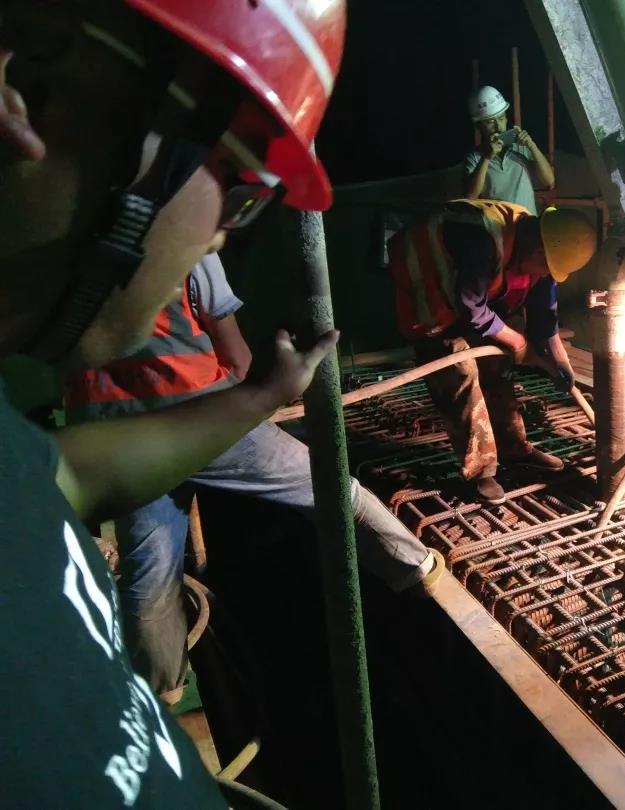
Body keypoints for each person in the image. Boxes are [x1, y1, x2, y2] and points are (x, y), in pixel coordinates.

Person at [0, 1, 346, 805]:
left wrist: (262, 394)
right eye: (244, 183)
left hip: (168, 415)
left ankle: (162, 679)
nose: (224, 232)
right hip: (173, 402)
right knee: (322, 493)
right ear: (29, 82)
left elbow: (65, 476)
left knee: (154, 573)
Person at [64, 253, 444, 699]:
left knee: (149, 576)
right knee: (330, 488)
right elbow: (238, 358)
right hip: (199, 413)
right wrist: (263, 399)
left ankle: (161, 691)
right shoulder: (187, 244)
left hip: (116, 437)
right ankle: (416, 569)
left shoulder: (57, 259)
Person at [390, 199, 596, 505]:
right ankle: (480, 471)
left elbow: (544, 315)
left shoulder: (544, 247)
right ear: (538, 252)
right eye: (546, 268)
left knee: (499, 364)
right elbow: (471, 306)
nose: (545, 274)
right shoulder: (481, 240)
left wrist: (559, 362)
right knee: (459, 372)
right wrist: (518, 343)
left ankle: (514, 449)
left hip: (476, 297)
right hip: (435, 302)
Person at [463, 85, 555, 214]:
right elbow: (470, 196)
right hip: (497, 226)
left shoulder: (522, 148)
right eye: (490, 122)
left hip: (528, 224)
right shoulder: (474, 157)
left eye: (501, 118)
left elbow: (549, 181)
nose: (498, 127)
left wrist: (532, 146)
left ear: (506, 118)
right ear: (478, 126)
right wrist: (487, 157)